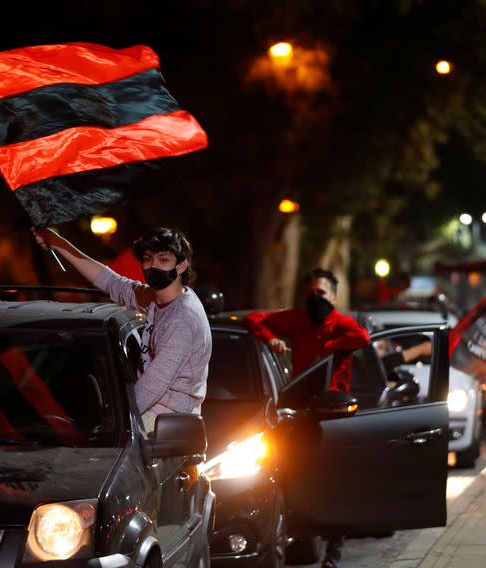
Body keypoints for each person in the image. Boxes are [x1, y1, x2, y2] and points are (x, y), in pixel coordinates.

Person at [244, 268, 369, 568]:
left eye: (322, 293)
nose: (316, 298)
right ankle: (300, 538)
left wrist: (328, 346)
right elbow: (254, 320)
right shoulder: (298, 319)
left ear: (334, 297)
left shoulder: (342, 325)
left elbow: (363, 336)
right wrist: (271, 339)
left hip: (335, 416)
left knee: (335, 484)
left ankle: (333, 554)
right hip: (302, 413)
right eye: (312, 293)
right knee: (299, 478)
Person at [33, 227, 212, 433]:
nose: (153, 266)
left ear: (181, 266)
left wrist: (109, 420)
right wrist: (58, 243)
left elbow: (150, 389)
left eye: (163, 260)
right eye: (147, 259)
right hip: (151, 407)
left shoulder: (182, 319)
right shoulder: (156, 298)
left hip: (170, 420)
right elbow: (110, 281)